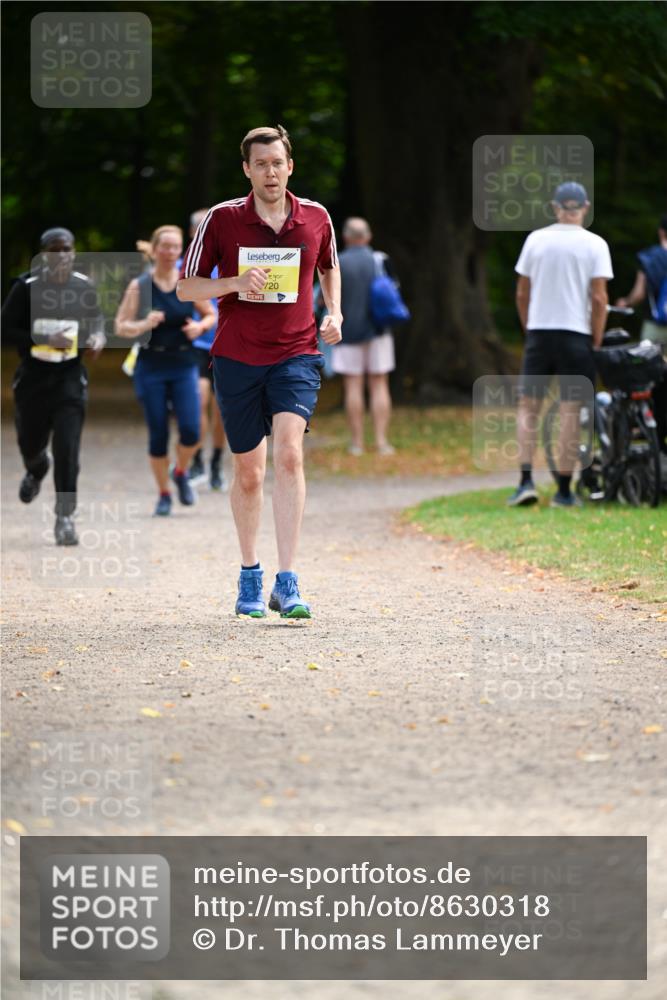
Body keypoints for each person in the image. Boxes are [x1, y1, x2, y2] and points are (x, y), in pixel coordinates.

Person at [178, 124, 342, 619]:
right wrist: (232, 281)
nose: (270, 172)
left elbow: (328, 266)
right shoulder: (222, 219)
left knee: (290, 455)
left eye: (278, 162)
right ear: (246, 170)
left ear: (290, 166)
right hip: (237, 357)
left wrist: (333, 311)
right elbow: (187, 289)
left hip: (296, 353)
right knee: (250, 473)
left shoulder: (315, 216)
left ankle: (287, 580)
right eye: (260, 164)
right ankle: (250, 573)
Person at [509, 182, 613, 508]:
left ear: (555, 208)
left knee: (528, 408)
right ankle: (564, 491)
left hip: (540, 332)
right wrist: (596, 336)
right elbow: (599, 298)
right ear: (585, 207)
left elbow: (522, 292)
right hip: (576, 333)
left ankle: (525, 481)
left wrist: (529, 328)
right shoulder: (595, 244)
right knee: (570, 411)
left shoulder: (535, 240)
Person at [1, 227, 105, 544]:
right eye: (54, 250)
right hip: (33, 378)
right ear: (43, 255)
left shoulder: (84, 287)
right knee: (31, 444)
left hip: (69, 380)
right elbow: (4, 329)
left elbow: (97, 319)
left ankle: (65, 518)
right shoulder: (26, 287)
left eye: (67, 249)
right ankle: (36, 468)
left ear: (74, 253)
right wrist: (43, 339)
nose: (61, 256)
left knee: (67, 448)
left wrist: (98, 336)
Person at [114, 225, 216, 516]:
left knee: (191, 431)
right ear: (155, 249)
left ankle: (180, 471)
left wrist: (199, 326)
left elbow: (210, 315)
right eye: (166, 246)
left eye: (176, 247)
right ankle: (163, 494)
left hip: (184, 363)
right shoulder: (140, 285)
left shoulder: (188, 283)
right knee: (158, 434)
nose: (171, 252)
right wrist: (144, 324)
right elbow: (121, 326)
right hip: (151, 366)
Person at [332, 217, 396, 456]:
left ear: (346, 237)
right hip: (379, 331)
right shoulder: (380, 260)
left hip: (347, 331)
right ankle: (381, 442)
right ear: (367, 237)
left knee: (353, 386)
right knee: (379, 385)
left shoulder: (337, 262)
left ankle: (357, 443)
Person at [615, 215, 667, 456]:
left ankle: (655, 429)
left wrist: (625, 302)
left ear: (661, 232)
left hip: (655, 328)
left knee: (652, 377)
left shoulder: (649, 258)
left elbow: (639, 294)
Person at [185, 208, 227, 491]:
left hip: (226, 345)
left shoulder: (229, 259)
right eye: (199, 228)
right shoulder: (183, 262)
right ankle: (197, 459)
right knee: (198, 401)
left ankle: (216, 463)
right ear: (192, 233)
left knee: (221, 408)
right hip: (196, 346)